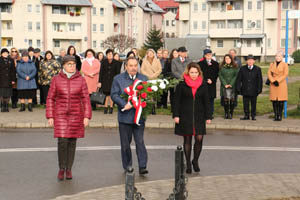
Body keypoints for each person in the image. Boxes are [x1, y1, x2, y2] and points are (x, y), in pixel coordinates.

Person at [46, 55, 92, 181]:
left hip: (76, 114)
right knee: (62, 142)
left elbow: (86, 99)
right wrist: (50, 115)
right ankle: (62, 168)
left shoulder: (81, 80)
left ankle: (69, 169)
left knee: (72, 142)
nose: (72, 66)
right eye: (69, 64)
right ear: (64, 65)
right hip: (60, 115)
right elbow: (50, 98)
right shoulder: (56, 79)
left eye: (74, 64)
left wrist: (87, 116)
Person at [111, 57, 149, 175]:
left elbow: (148, 94)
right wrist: (124, 104)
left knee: (140, 142)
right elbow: (114, 95)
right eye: (131, 65)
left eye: (135, 65)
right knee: (125, 144)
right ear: (126, 66)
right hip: (125, 116)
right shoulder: (118, 79)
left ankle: (142, 166)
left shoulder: (143, 78)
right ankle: (128, 165)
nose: (133, 68)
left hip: (139, 117)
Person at [173, 62, 211, 174]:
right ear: (188, 73)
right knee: (187, 139)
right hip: (185, 115)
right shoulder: (181, 85)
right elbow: (176, 101)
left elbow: (207, 102)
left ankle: (195, 160)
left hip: (199, 115)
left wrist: (208, 116)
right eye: (192, 72)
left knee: (199, 138)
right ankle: (188, 163)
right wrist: (176, 115)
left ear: (199, 73)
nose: (194, 74)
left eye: (196, 72)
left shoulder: (203, 85)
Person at [236, 54, 263, 120]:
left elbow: (260, 80)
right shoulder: (242, 69)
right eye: (248, 60)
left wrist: (259, 89)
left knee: (253, 103)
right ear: (246, 61)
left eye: (251, 60)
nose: (250, 62)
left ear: (254, 61)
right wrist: (238, 88)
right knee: (245, 103)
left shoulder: (257, 69)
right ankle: (246, 115)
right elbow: (239, 79)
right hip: (245, 89)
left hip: (254, 90)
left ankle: (253, 115)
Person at [198, 49, 219, 119]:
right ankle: (203, 113)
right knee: (203, 99)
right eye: (207, 55)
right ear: (204, 55)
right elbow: (199, 74)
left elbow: (216, 74)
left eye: (210, 54)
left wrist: (212, 80)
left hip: (212, 84)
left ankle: (210, 114)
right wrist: (205, 80)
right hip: (203, 84)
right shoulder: (200, 64)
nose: (209, 56)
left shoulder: (215, 63)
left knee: (211, 100)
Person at [268, 52, 289, 121]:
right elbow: (269, 74)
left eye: (279, 56)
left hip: (281, 84)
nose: (277, 57)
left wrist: (278, 81)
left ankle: (280, 115)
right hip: (273, 84)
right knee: (274, 101)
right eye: (276, 56)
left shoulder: (285, 65)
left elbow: (285, 74)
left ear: (282, 57)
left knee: (280, 101)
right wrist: (273, 81)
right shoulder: (272, 64)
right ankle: (275, 115)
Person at [141, 49, 162, 115]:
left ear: (154, 54)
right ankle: (150, 108)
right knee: (148, 94)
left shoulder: (157, 60)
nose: (150, 54)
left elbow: (160, 69)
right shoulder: (144, 61)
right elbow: (142, 70)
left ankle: (154, 108)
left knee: (154, 94)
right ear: (147, 54)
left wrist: (154, 75)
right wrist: (148, 75)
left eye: (151, 53)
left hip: (155, 79)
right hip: (147, 79)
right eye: (149, 53)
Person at [98, 49, 119, 114]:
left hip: (113, 81)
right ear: (106, 55)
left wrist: (117, 82)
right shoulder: (103, 62)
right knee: (106, 95)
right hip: (105, 81)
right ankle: (106, 107)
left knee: (111, 95)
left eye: (111, 54)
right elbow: (101, 72)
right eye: (108, 54)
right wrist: (99, 82)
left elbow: (117, 73)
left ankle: (111, 107)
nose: (110, 55)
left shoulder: (116, 62)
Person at [219, 54, 239, 119]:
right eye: (226, 59)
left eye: (229, 58)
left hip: (232, 86)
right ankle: (226, 113)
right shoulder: (221, 67)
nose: (227, 60)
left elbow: (235, 76)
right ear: (224, 60)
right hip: (224, 86)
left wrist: (231, 84)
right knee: (226, 100)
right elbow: (220, 76)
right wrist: (225, 84)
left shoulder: (235, 66)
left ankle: (231, 113)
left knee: (232, 100)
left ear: (231, 59)